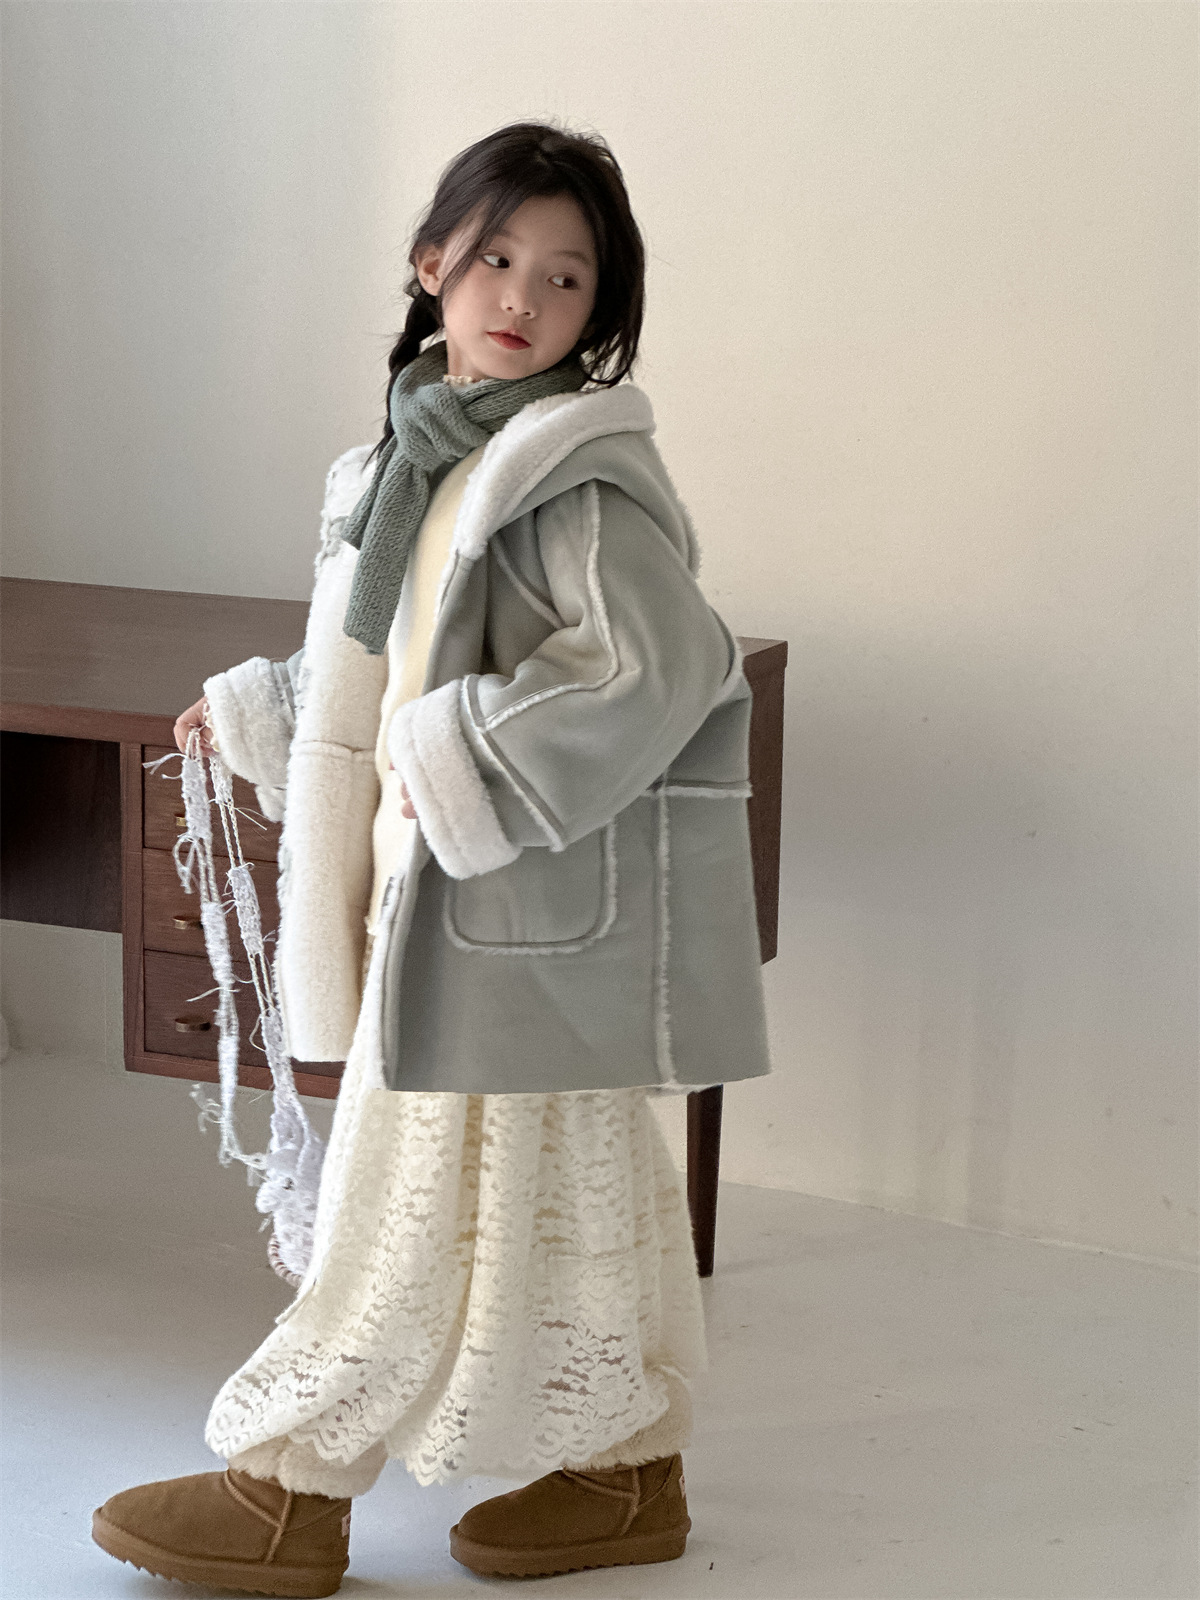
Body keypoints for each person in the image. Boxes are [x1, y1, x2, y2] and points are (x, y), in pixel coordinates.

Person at [91, 120, 772, 1598]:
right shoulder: (404, 463)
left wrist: (455, 755)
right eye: (500, 256)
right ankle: (626, 1465)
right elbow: (393, 658)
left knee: (397, 1204)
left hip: (496, 894)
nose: (526, 294)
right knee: (580, 1182)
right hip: (463, 894)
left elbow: (661, 665)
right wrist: (269, 707)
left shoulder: (567, 476)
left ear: (600, 314)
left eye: (569, 278)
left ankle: (290, 1489)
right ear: (433, 262)